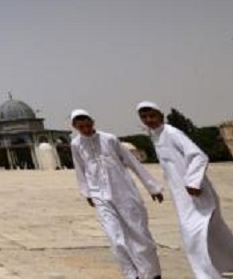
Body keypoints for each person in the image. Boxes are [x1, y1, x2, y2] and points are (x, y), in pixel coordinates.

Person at [137, 101, 233, 278]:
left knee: (192, 237)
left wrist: (193, 182)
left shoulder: (172, 133)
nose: (149, 120)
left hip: (196, 194)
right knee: (216, 234)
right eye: (144, 117)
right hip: (183, 197)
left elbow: (198, 156)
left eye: (152, 115)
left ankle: (205, 275)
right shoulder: (156, 136)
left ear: (161, 116)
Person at [70, 109, 164, 279]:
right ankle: (131, 274)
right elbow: (80, 169)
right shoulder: (76, 144)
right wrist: (87, 193)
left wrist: (152, 187)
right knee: (115, 236)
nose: (86, 130)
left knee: (138, 232)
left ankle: (151, 273)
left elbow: (132, 162)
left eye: (88, 125)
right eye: (81, 127)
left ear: (93, 122)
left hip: (124, 191)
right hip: (100, 195)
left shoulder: (109, 139)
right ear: (75, 127)